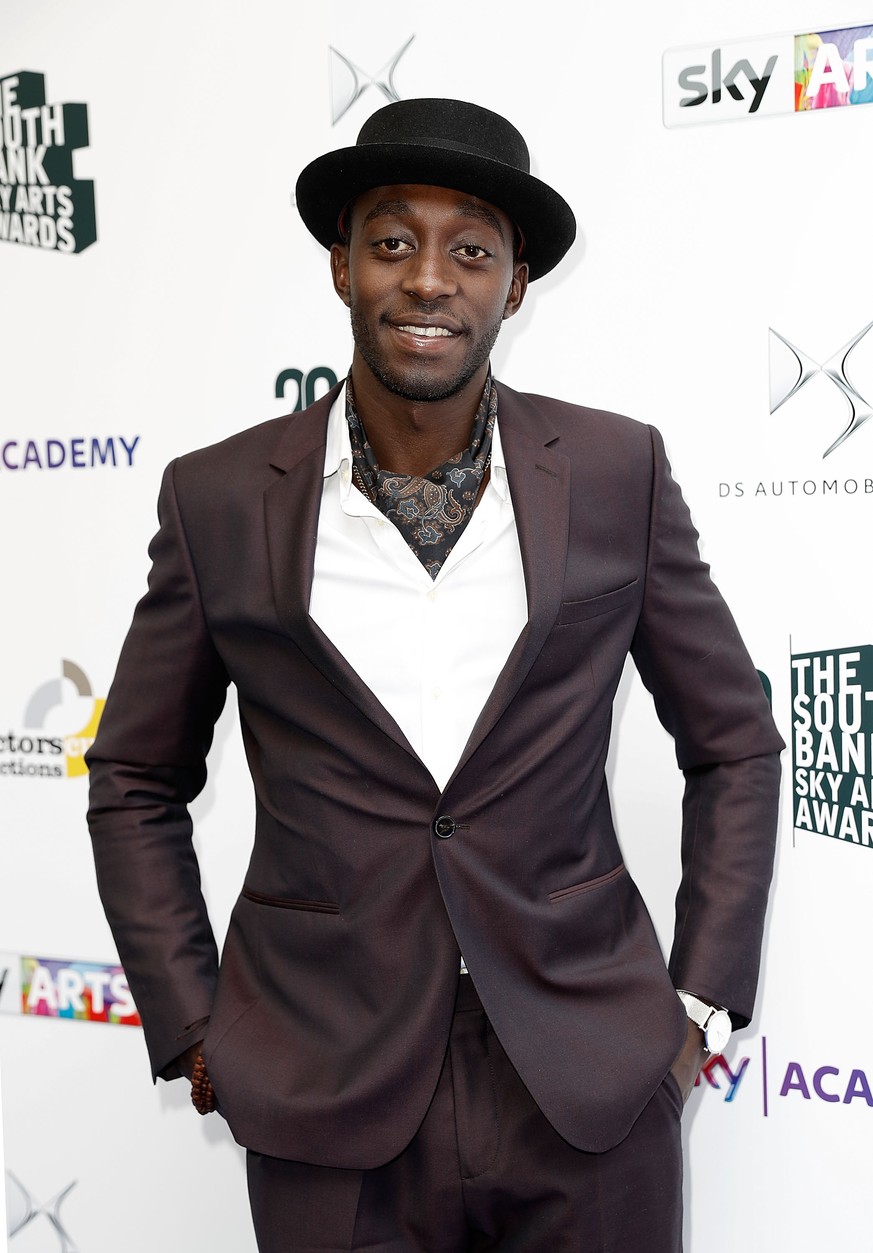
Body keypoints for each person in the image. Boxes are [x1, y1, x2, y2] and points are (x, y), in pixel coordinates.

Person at [87, 98, 784, 1253]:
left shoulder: (617, 471)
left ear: (514, 286)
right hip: (325, 1081)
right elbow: (133, 775)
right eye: (392, 241)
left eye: (471, 250)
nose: (427, 281)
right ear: (340, 266)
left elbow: (735, 742)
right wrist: (195, 1024)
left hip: (588, 1084)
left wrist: (698, 1002)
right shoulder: (218, 498)